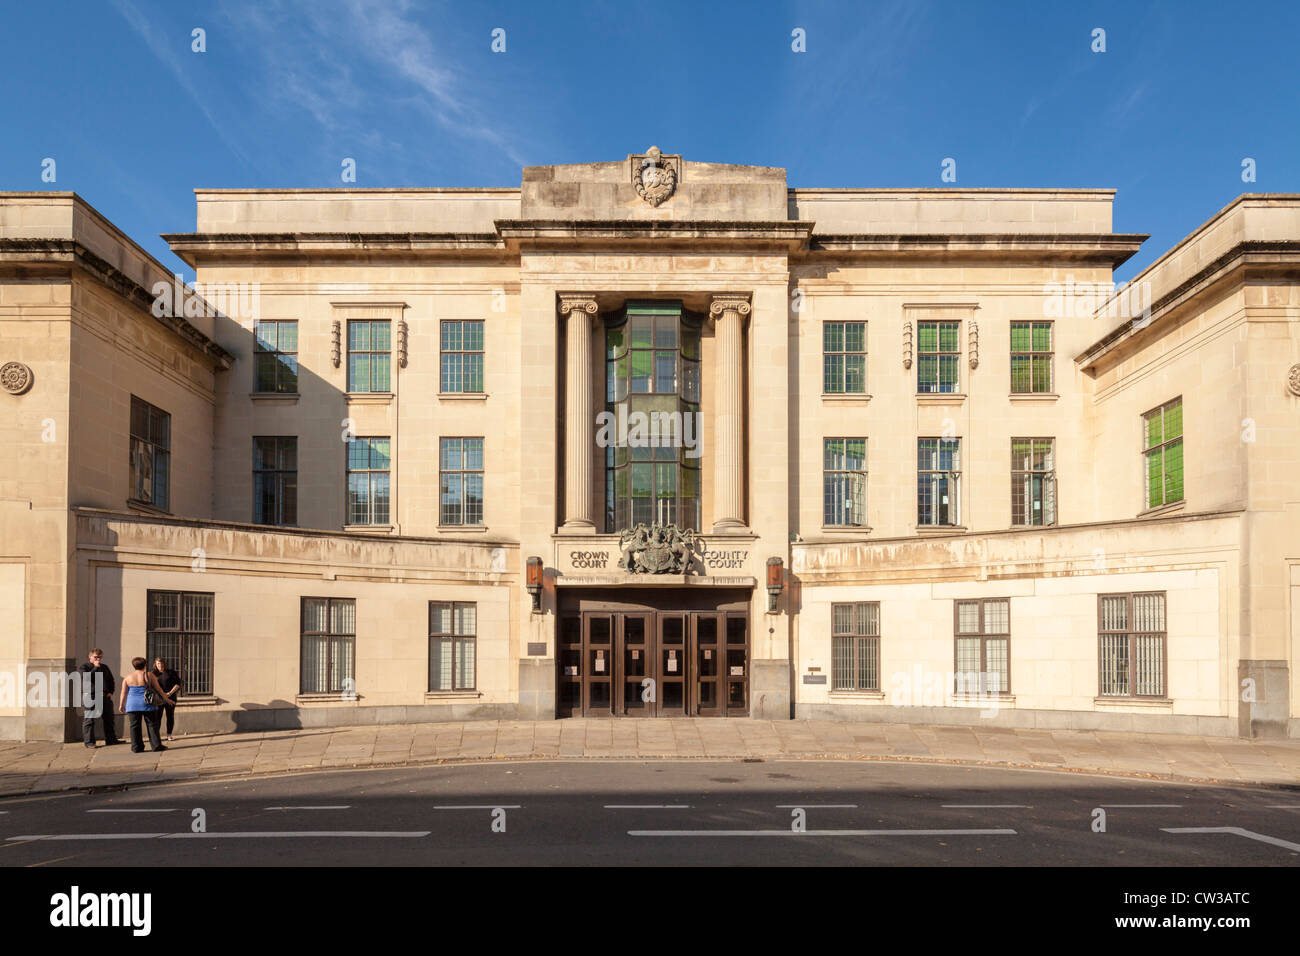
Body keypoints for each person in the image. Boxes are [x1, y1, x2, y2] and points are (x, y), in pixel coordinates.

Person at [118, 657, 168, 753]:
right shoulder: (149, 675)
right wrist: (165, 698)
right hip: (148, 704)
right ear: (145, 665)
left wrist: (121, 704)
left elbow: (123, 693)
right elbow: (158, 689)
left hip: (132, 704)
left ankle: (136, 747)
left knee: (134, 726)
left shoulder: (127, 678)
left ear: (134, 666)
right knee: (152, 724)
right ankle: (156, 745)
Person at [79, 649, 119, 748]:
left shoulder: (104, 667)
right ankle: (89, 742)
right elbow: (87, 678)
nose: (98, 659)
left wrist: (111, 692)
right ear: (90, 656)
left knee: (109, 719)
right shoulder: (84, 667)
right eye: (96, 657)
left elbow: (111, 680)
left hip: (104, 696)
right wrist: (95, 668)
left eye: (100, 657)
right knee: (89, 720)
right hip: (91, 696)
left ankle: (111, 740)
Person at [152, 657, 182, 740]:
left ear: (164, 664)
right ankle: (156, 736)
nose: (160, 665)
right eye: (158, 663)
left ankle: (169, 734)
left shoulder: (171, 672)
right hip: (159, 699)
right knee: (157, 717)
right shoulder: (153, 674)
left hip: (171, 697)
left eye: (161, 663)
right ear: (155, 665)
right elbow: (152, 687)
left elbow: (178, 684)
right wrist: (162, 694)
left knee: (170, 716)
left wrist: (169, 693)